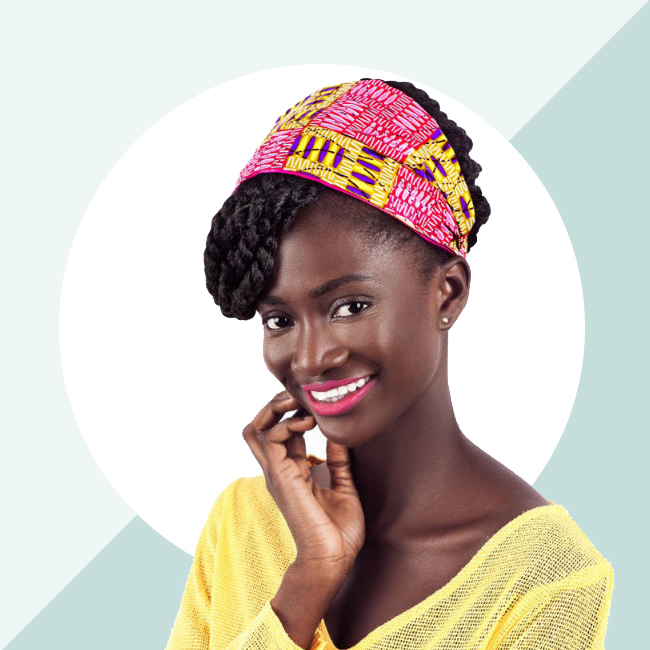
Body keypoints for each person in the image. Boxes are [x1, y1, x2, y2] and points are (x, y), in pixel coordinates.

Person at [164, 78, 614, 650]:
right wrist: (309, 578)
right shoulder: (241, 523)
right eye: (279, 320)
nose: (310, 358)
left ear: (447, 293)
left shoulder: (548, 578)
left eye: (349, 306)